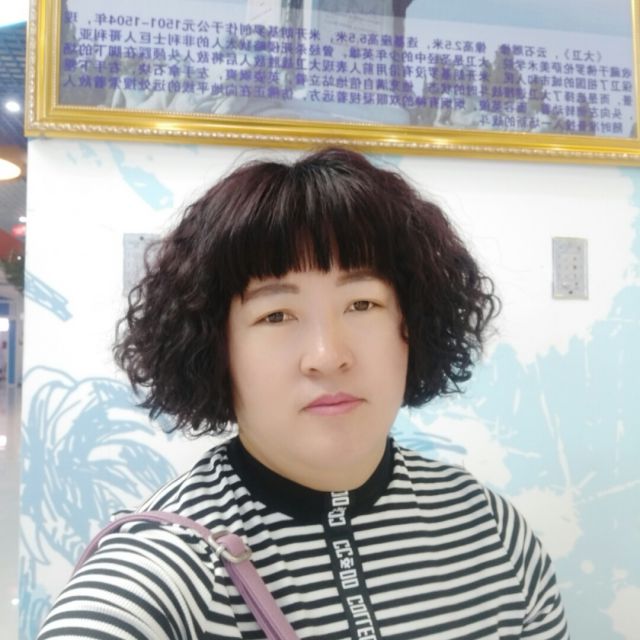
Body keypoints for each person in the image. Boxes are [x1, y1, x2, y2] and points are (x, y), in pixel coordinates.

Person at [38, 147, 569, 639]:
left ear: (413, 322)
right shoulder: (161, 571)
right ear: (215, 348)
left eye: (362, 304)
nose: (327, 355)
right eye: (276, 314)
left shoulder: (490, 531)